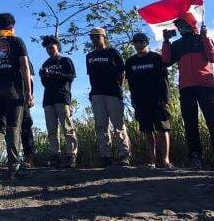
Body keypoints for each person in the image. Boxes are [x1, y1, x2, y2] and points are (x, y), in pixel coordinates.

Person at [0, 12, 33, 180]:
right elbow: (25, 67)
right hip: (14, 91)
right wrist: (29, 92)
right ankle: (14, 166)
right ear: (13, 25)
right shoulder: (17, 41)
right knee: (13, 127)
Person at [162, 13, 214, 169]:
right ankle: (195, 157)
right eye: (178, 26)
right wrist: (166, 42)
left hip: (207, 86)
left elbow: (212, 57)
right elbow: (166, 61)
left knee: (213, 121)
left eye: (183, 24)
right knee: (190, 124)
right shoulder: (177, 45)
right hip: (186, 88)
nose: (180, 27)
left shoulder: (201, 39)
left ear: (191, 24)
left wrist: (205, 37)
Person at [126, 32, 171, 168]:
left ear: (146, 42)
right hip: (141, 101)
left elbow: (164, 80)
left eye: (141, 42)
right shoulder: (130, 62)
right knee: (147, 130)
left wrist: (165, 98)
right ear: (133, 44)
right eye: (136, 42)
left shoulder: (156, 58)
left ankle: (166, 160)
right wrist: (133, 100)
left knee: (163, 129)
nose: (139, 44)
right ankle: (153, 161)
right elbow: (131, 84)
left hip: (158, 100)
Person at [86, 27, 131, 167]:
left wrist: (119, 88)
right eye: (92, 37)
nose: (94, 40)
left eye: (97, 37)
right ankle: (106, 156)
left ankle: (124, 155)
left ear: (103, 37)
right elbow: (91, 76)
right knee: (101, 126)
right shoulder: (90, 56)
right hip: (97, 94)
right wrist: (92, 92)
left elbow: (121, 72)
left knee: (118, 124)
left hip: (112, 92)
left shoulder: (112, 52)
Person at [39, 36, 78, 168]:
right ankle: (55, 156)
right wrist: (43, 75)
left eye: (52, 47)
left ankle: (71, 155)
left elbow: (71, 76)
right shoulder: (45, 64)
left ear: (57, 46)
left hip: (62, 97)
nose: (49, 50)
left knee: (67, 128)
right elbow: (44, 83)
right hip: (48, 99)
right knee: (51, 130)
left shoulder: (66, 61)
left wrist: (57, 74)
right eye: (47, 48)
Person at [21, 61, 36, 167]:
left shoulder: (25, 60)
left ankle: (29, 158)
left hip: (22, 97)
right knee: (11, 128)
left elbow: (31, 79)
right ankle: (13, 158)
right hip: (8, 98)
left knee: (26, 126)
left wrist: (30, 96)